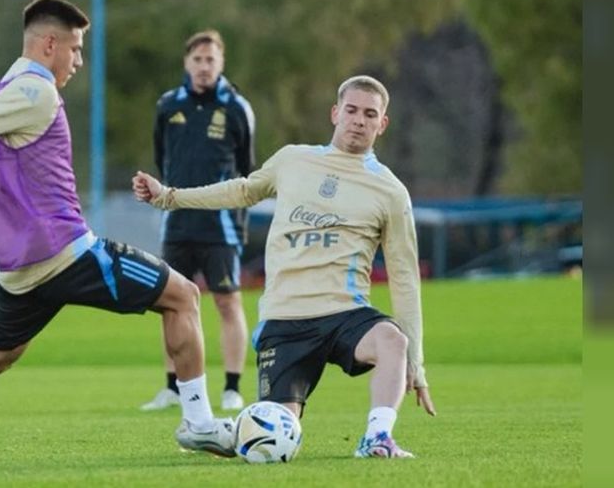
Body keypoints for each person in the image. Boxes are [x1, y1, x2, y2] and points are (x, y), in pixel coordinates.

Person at [0, 0, 235, 465]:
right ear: (49, 44)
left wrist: (17, 201)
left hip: (19, 270)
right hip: (66, 253)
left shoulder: (7, 88)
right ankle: (198, 423)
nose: (79, 60)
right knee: (182, 297)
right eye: (75, 49)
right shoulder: (35, 92)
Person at [133, 75, 437, 458]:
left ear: (382, 124)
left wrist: (417, 364)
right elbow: (241, 189)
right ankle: (226, 433)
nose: (359, 120)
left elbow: (405, 278)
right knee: (276, 436)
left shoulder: (391, 192)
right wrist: (170, 197)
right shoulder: (294, 159)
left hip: (345, 313)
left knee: (393, 341)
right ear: (335, 113)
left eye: (370, 114)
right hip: (285, 320)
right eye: (352, 110)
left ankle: (376, 439)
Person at [141, 30, 255, 413]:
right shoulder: (167, 105)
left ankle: (232, 386)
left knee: (227, 301)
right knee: (170, 302)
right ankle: (173, 387)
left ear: (220, 64)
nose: (204, 66)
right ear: (186, 63)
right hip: (176, 224)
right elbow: (162, 159)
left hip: (220, 226)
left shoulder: (237, 108)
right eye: (197, 60)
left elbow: (247, 170)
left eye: (211, 60)